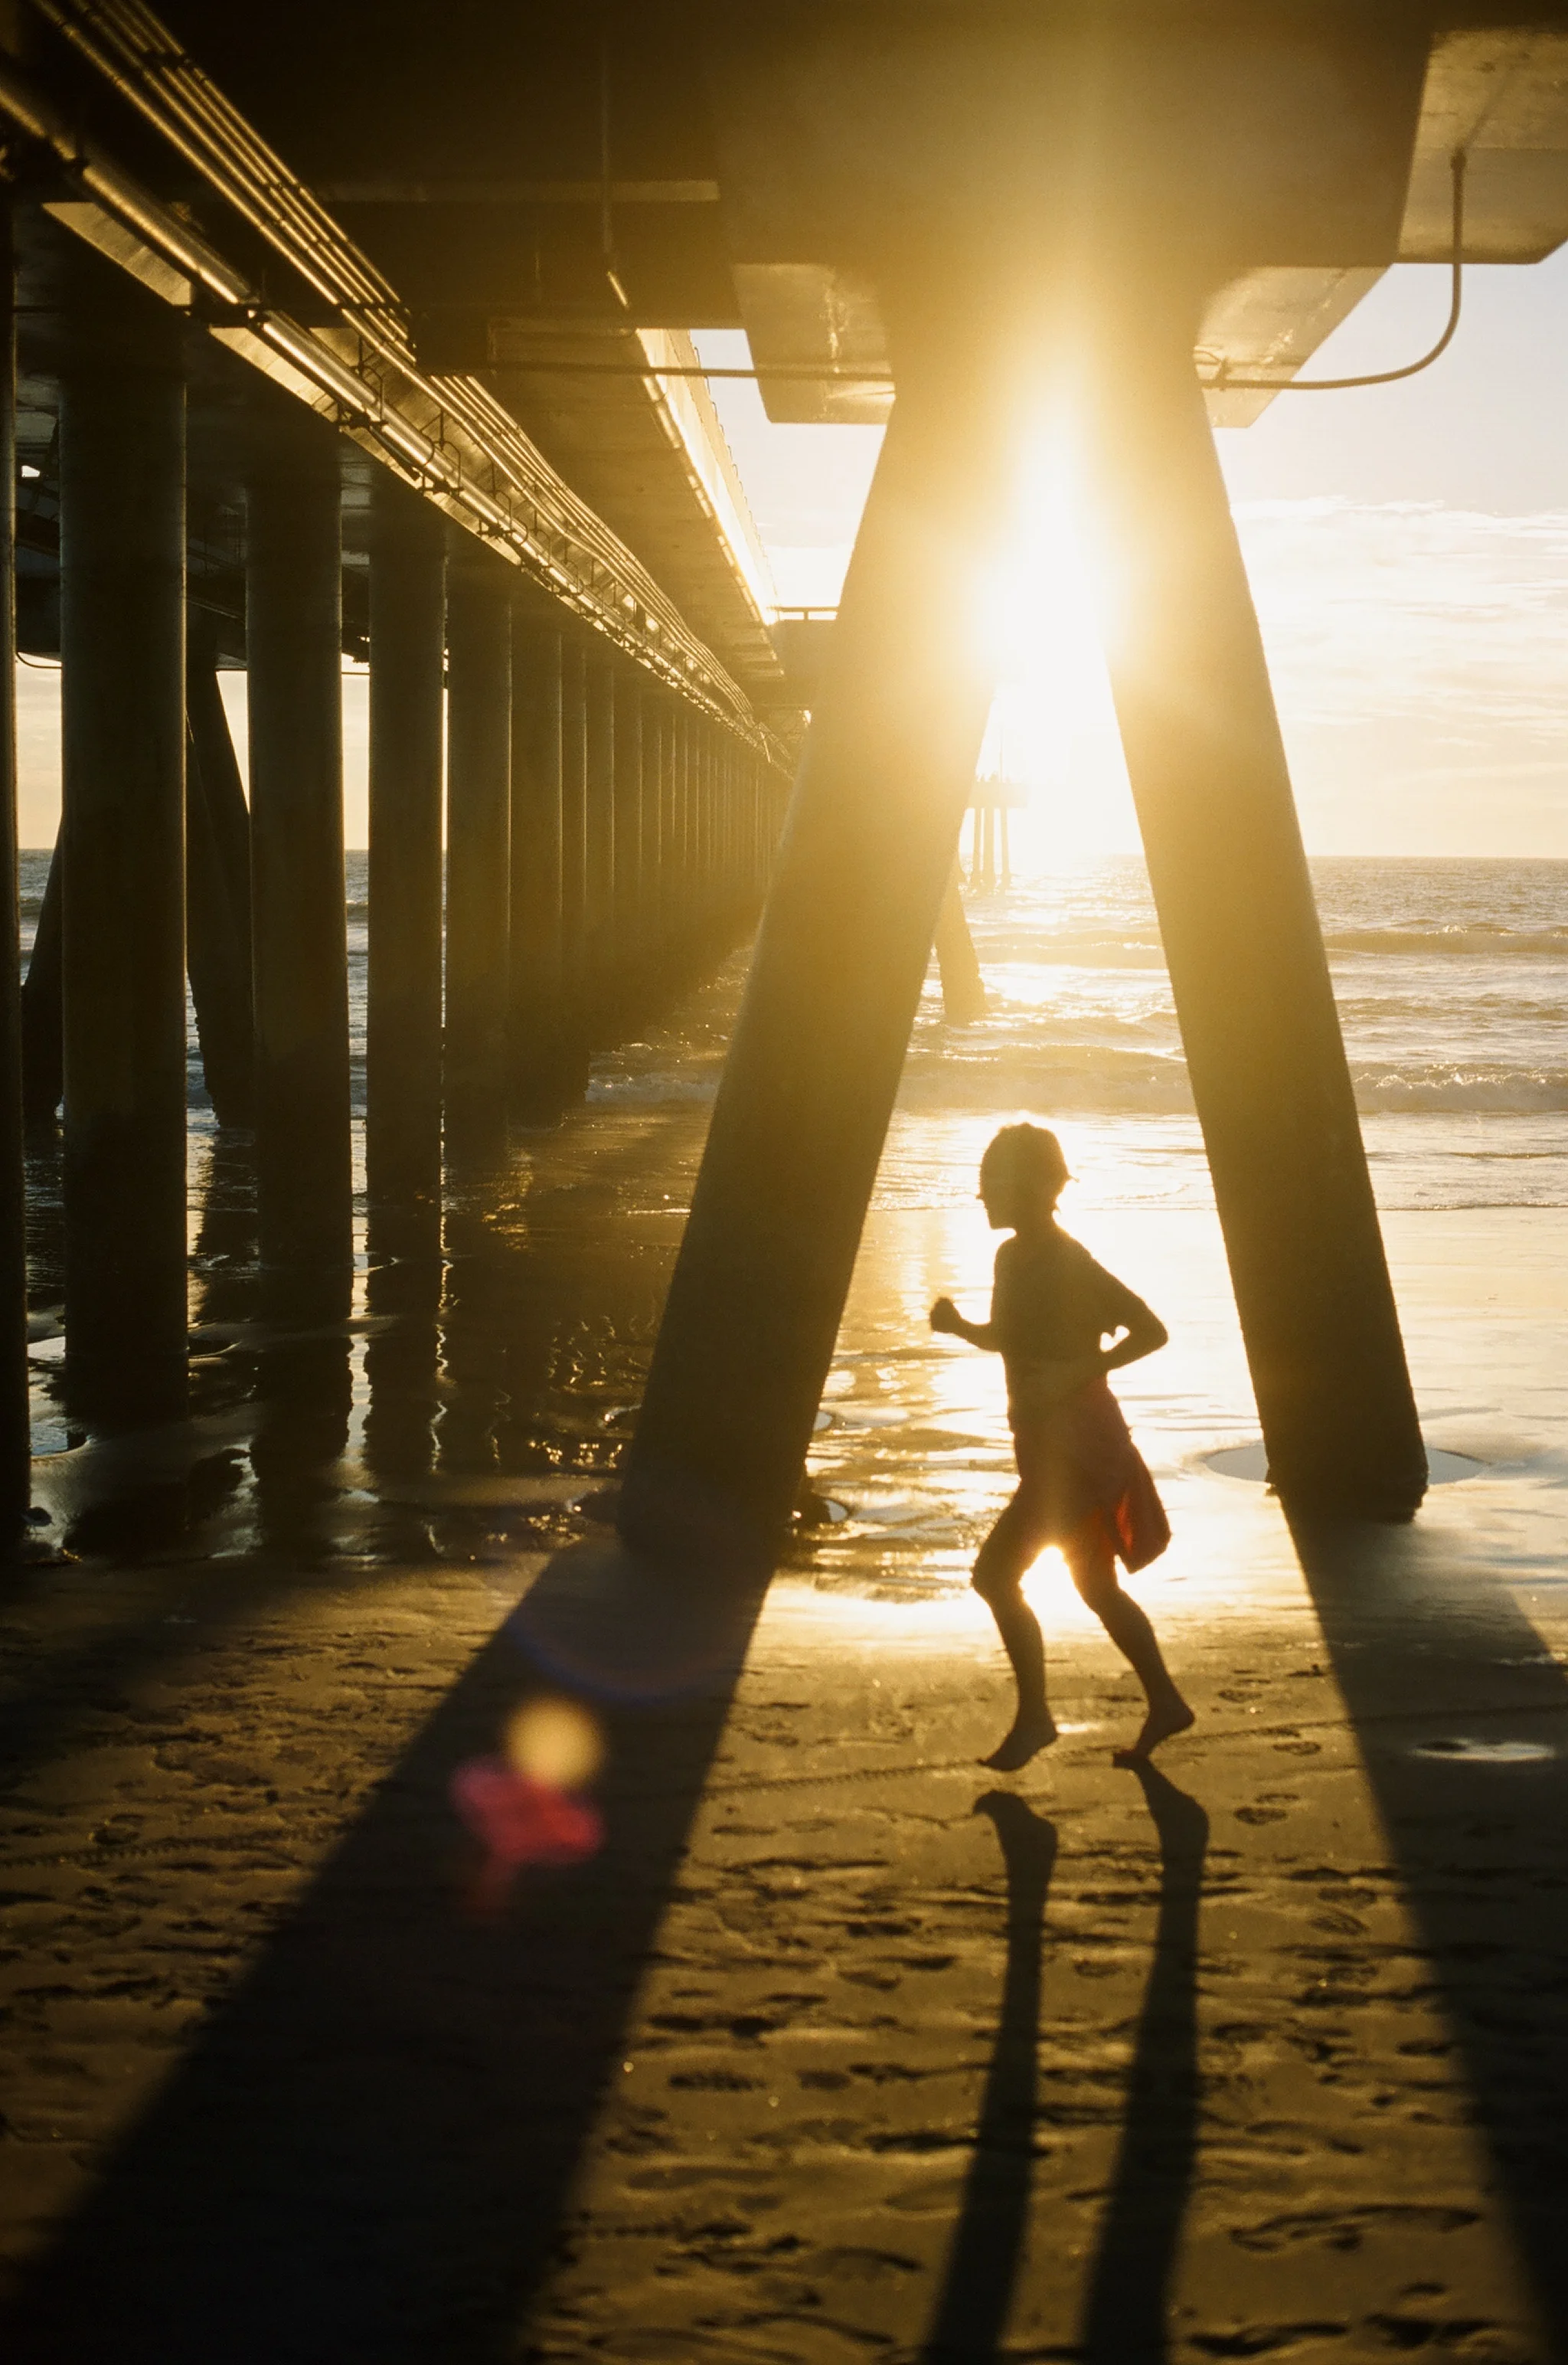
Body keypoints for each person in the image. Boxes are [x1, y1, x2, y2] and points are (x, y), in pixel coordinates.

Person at [931, 1122, 1193, 1771]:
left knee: (995, 1575)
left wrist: (1079, 1371)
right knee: (1095, 1586)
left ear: (1033, 1189)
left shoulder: (1067, 1259)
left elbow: (1151, 1329)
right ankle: (1165, 1701)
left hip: (1078, 1453)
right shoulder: (1011, 1258)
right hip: (1046, 1448)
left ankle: (1036, 1718)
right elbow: (1010, 1336)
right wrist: (963, 1328)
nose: (983, 1197)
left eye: (993, 1185)